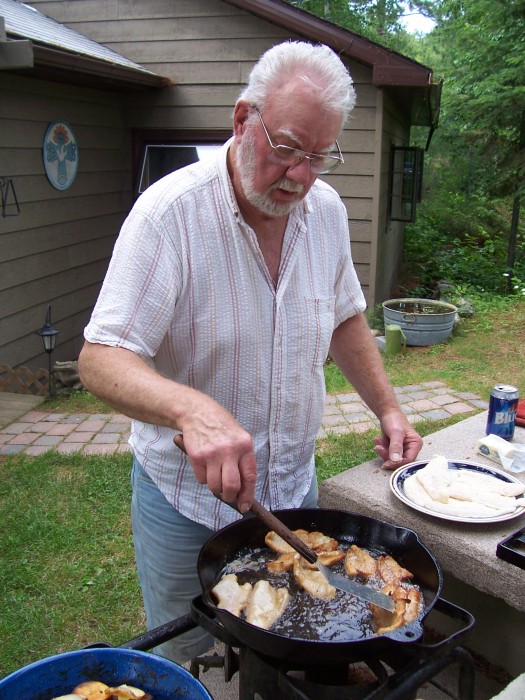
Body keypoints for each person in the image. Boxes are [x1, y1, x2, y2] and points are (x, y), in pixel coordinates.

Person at [78, 40, 422, 663]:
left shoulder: (327, 212)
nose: (301, 175)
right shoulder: (169, 214)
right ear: (243, 119)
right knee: (186, 649)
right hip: (184, 499)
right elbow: (101, 357)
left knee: (291, 643)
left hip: (291, 486)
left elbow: (344, 318)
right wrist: (192, 411)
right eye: (288, 147)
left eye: (320, 156)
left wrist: (389, 410)